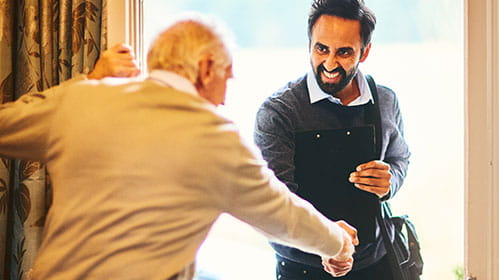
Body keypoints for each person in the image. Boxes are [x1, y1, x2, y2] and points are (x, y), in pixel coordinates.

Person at [0, 15, 359, 280]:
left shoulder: (83, 98)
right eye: (227, 77)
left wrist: (91, 82)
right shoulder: (216, 139)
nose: (224, 96)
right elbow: (285, 216)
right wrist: (339, 243)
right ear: (205, 68)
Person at [254, 0, 411, 279]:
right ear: (309, 45)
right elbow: (272, 208)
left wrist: (390, 181)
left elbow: (399, 158)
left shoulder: (386, 100)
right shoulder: (279, 112)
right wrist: (327, 243)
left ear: (365, 53)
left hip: (377, 264)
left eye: (344, 52)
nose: (329, 63)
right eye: (321, 49)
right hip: (304, 268)